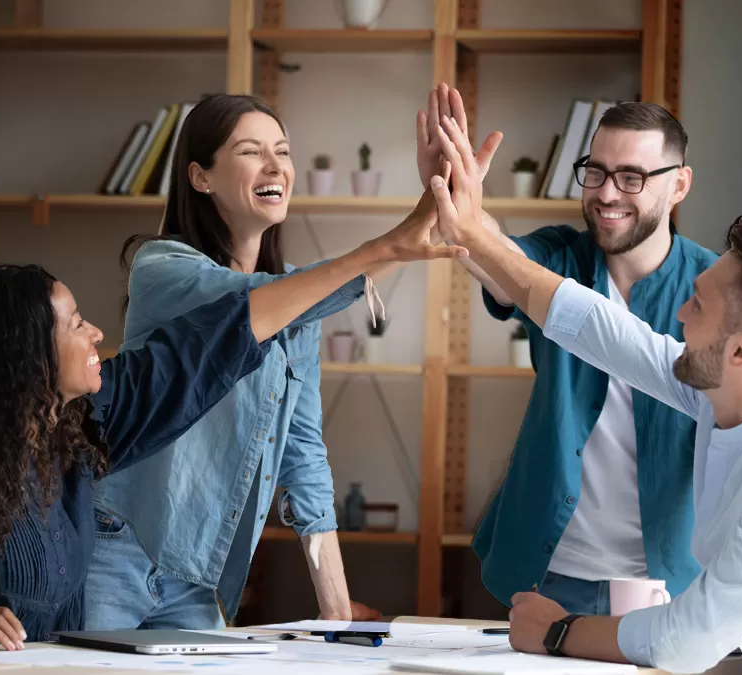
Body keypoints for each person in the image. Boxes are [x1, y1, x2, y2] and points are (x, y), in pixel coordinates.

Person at [0, 186, 464, 649]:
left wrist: (392, 248)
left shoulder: (88, 422)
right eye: (75, 324)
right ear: (25, 353)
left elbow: (216, 340)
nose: (97, 332)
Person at [427, 112, 742, 674]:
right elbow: (600, 330)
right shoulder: (723, 391)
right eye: (597, 172)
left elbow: (687, 641)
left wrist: (558, 633)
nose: (678, 315)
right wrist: (469, 227)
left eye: (697, 307)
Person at [85, 93, 478, 629]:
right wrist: (395, 241)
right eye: (251, 151)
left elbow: (304, 455)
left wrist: (336, 608)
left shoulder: (297, 304)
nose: (275, 166)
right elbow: (248, 307)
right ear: (201, 177)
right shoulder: (162, 268)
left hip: (194, 572)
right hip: (114, 550)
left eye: (283, 151)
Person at [416, 84, 718, 614]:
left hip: (672, 580)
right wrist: (456, 200)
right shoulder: (558, 257)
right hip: (548, 573)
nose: (606, 193)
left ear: (679, 186)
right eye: (596, 171)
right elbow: (502, 263)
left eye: (632, 177)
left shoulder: (715, 288)